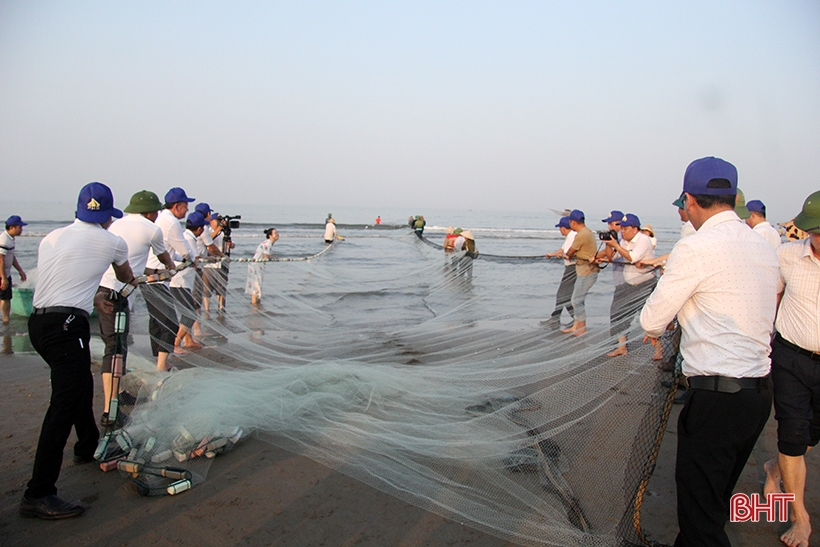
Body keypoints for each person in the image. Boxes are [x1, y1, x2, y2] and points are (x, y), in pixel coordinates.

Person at [640, 157, 780, 547]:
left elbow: (652, 320)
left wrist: (667, 319)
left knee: (700, 516)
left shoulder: (694, 248)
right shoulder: (765, 246)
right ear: (733, 198)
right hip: (757, 398)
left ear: (689, 199)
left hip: (717, 400)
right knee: (714, 503)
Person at [20, 182, 137, 520]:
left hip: (40, 325)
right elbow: (126, 278)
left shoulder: (51, 238)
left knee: (80, 386)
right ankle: (38, 492)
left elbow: (66, 279)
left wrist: (92, 298)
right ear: (107, 217)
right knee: (64, 403)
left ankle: (86, 447)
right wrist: (108, 294)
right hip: (67, 327)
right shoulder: (113, 241)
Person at [762, 190, 820, 547]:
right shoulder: (786, 256)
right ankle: (801, 519)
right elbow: (771, 298)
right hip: (791, 358)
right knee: (793, 434)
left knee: (809, 437)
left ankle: (774, 468)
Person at [96, 191, 175, 426]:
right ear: (150, 212)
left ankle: (118, 395)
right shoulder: (151, 229)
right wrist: (171, 268)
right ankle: (110, 411)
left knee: (117, 345)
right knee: (115, 349)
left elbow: (134, 265)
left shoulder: (117, 225)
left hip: (103, 289)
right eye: (156, 211)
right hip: (116, 295)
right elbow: (164, 259)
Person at [144, 187, 197, 371]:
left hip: (153, 276)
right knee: (169, 321)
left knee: (158, 321)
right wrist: (192, 259)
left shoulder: (162, 219)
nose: (187, 210)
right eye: (185, 206)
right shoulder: (171, 222)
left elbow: (170, 252)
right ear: (176, 206)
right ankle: (161, 366)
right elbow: (184, 250)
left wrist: (182, 259)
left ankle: (160, 362)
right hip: (156, 278)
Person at [600, 214, 656, 356]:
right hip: (629, 284)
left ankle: (659, 350)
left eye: (625, 228)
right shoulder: (625, 241)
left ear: (635, 229)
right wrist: (609, 244)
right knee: (619, 314)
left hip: (645, 284)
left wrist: (617, 246)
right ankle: (621, 346)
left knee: (650, 317)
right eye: (622, 228)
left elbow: (633, 257)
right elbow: (612, 257)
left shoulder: (643, 240)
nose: (622, 231)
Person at [170, 211, 208, 353]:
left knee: (187, 311)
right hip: (179, 282)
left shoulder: (186, 236)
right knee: (189, 313)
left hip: (184, 281)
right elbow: (193, 258)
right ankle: (176, 342)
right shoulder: (189, 239)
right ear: (199, 229)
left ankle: (188, 340)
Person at [562, 210, 599, 336]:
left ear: (573, 222)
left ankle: (582, 328)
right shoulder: (587, 232)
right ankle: (576, 326)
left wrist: (566, 255)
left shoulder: (581, 235)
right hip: (584, 270)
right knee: (578, 299)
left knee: (576, 300)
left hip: (587, 271)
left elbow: (570, 252)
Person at [544, 216, 576, 325]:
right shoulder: (570, 236)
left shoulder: (572, 236)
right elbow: (562, 250)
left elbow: (567, 254)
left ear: (563, 228)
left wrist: (560, 254)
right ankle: (574, 318)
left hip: (573, 268)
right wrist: (552, 254)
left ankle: (559, 318)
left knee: (562, 293)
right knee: (565, 294)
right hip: (571, 267)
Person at [199, 208, 229, 316]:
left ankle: (221, 308)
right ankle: (207, 310)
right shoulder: (207, 231)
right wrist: (219, 229)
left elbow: (231, 244)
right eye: (217, 220)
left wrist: (230, 244)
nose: (220, 222)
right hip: (209, 264)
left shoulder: (223, 233)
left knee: (221, 287)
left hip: (221, 265)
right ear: (211, 221)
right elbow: (209, 241)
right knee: (207, 288)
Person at [1, 215, 28, 324]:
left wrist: (20, 270)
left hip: (6, 273)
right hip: (2, 274)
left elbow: (11, 257)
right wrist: (3, 278)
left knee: (6, 297)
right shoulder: (4, 240)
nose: (21, 229)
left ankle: (5, 318)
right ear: (11, 227)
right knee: (5, 297)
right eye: (19, 227)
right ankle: (5, 320)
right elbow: (1, 260)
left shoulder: (10, 239)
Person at [246, 228, 279, 307]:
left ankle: (257, 305)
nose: (277, 234)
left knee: (257, 287)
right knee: (256, 288)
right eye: (275, 233)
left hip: (257, 266)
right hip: (256, 266)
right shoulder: (268, 243)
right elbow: (266, 257)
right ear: (270, 236)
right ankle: (255, 307)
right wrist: (272, 258)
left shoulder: (269, 243)